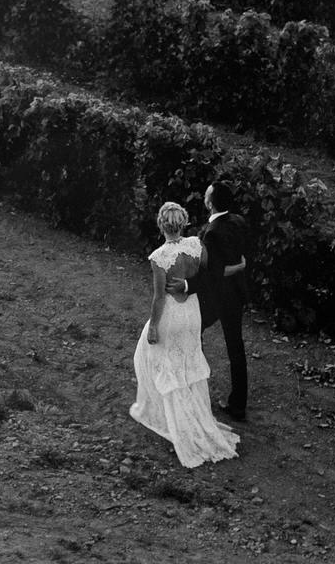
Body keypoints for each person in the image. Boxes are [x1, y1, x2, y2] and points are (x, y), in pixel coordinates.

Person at [129, 201, 240, 467]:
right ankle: (196, 417)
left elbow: (159, 298)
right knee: (188, 364)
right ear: (183, 223)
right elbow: (206, 272)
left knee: (155, 360)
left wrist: (154, 326)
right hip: (192, 313)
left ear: (161, 225)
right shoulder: (195, 245)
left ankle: (173, 420)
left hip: (171, 314)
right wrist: (190, 284)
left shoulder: (158, 258)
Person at [166, 181, 250, 422]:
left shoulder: (212, 232)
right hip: (236, 295)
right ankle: (238, 405)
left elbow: (215, 272)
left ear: (210, 202)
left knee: (193, 333)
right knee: (236, 346)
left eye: (206, 193)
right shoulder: (239, 222)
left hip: (217, 297)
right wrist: (242, 267)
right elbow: (244, 254)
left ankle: (195, 392)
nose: (204, 195)